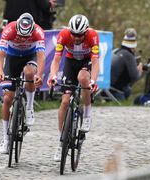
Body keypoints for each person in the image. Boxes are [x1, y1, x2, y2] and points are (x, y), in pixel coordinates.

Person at [47, 14, 100, 161]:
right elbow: (56, 59)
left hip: (86, 62)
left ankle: (88, 113)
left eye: (80, 35)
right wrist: (52, 75)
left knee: (83, 79)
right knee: (64, 102)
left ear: (86, 31)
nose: (76, 38)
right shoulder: (63, 35)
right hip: (71, 63)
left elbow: (95, 62)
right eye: (74, 34)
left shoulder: (92, 36)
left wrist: (93, 80)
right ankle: (61, 141)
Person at [0, 13, 46, 154]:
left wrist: (39, 75)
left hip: (30, 56)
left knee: (29, 73)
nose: (23, 39)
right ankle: (5, 138)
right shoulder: (9, 29)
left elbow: (41, 57)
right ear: (17, 27)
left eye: (26, 37)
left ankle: (29, 107)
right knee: (7, 99)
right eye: (21, 36)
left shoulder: (38, 31)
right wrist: (0, 71)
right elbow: (0, 55)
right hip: (12, 58)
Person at [110, 28, 143, 100]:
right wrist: (139, 71)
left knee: (127, 89)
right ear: (133, 46)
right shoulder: (128, 55)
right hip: (114, 91)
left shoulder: (116, 51)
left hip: (104, 88)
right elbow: (134, 77)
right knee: (128, 90)